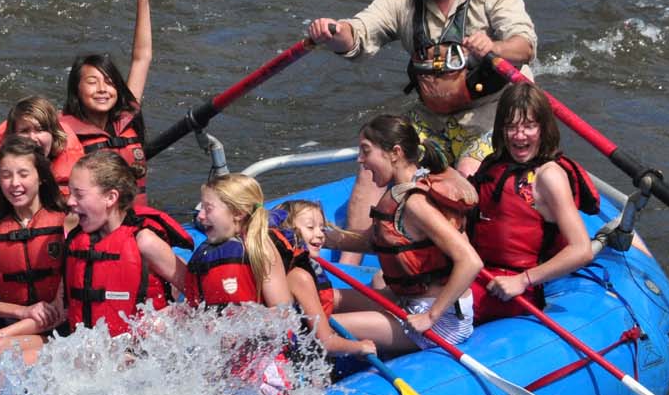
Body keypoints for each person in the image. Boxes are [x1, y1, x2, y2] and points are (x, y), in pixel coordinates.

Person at [305, 0, 537, 252]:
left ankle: (447, 265)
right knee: (375, 158)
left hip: (493, 113)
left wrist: (495, 47)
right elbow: (362, 31)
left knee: (463, 179)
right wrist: (336, 32)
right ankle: (350, 260)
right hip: (434, 114)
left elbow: (525, 45)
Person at [0, 150, 188, 363]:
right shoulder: (76, 242)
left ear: (110, 197)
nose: (70, 201)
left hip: (136, 353)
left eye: (78, 194)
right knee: (2, 351)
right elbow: (59, 312)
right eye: (70, 192)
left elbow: (200, 293)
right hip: (85, 350)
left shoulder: (145, 241)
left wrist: (166, 318)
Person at [325, 115, 484, 356]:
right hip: (408, 300)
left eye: (366, 151)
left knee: (318, 327)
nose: (360, 160)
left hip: (439, 323)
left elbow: (471, 262)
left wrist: (431, 316)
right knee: (325, 299)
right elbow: (374, 242)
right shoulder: (400, 193)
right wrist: (319, 237)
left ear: (395, 153)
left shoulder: (417, 203)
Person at [469, 81, 600, 323]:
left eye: (529, 126)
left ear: (543, 129)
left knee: (435, 307)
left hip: (516, 289)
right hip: (478, 273)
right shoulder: (494, 164)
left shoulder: (548, 176)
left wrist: (523, 280)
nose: (519, 136)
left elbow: (582, 250)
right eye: (511, 127)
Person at [0, 136, 71, 372]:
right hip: (14, 320)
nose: (14, 183)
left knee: (1, 349)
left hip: (58, 329)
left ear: (40, 177)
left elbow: (61, 310)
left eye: (23, 174)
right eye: (6, 175)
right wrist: (20, 311)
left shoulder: (66, 221)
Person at [63, 0, 153, 204]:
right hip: (93, 230)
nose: (103, 89)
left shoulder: (126, 116)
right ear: (77, 90)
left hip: (135, 223)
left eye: (109, 82)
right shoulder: (63, 132)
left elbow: (141, 57)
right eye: (92, 82)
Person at [270, 199, 375, 359]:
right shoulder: (299, 276)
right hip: (306, 363)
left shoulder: (289, 268)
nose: (320, 234)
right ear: (287, 232)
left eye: (322, 228)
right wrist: (360, 346)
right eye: (310, 228)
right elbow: (326, 343)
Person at [186, 174, 292, 309]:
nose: (200, 216)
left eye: (208, 208)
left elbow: (282, 311)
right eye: (201, 208)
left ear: (238, 213)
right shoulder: (205, 252)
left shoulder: (261, 248)